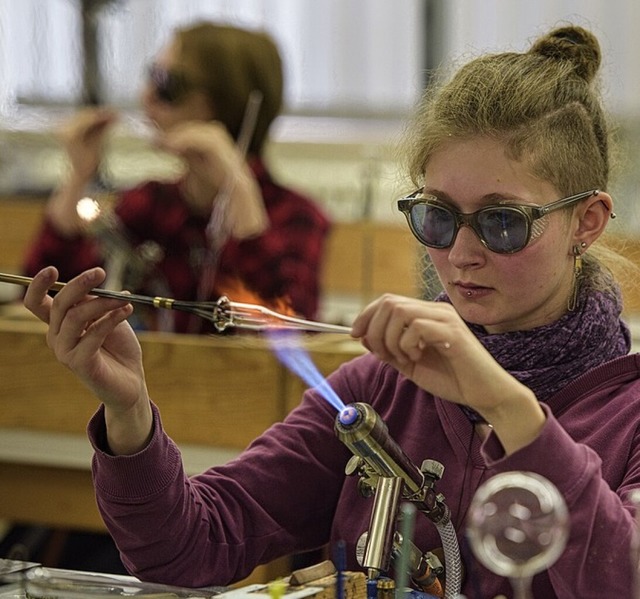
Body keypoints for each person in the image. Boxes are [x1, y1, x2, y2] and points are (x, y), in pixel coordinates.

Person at [21, 24, 640, 599]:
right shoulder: (379, 389)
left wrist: (507, 406)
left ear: (585, 222)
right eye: (437, 217)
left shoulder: (628, 418)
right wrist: (128, 413)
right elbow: (188, 545)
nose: (461, 254)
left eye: (503, 222)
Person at [22, 21, 331, 333]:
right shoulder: (152, 203)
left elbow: (291, 332)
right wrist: (78, 175)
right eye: (151, 74)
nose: (146, 96)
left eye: (166, 83)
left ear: (221, 101)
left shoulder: (296, 216)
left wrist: (237, 187)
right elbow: (42, 299)